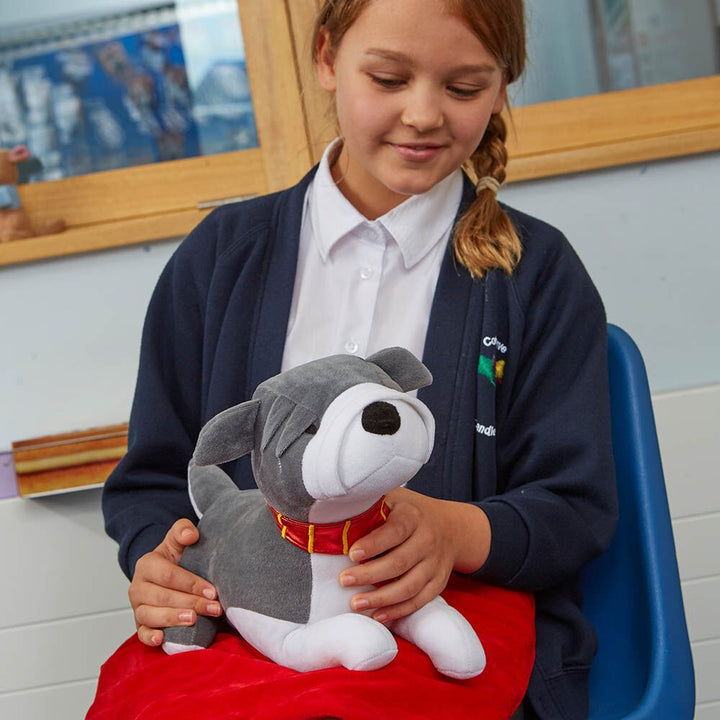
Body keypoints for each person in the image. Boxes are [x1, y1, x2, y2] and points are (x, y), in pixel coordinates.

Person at [102, 1, 617, 717]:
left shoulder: (537, 275)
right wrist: (164, 566)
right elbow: (153, 480)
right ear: (326, 59)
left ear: (502, 88)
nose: (423, 115)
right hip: (243, 638)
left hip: (453, 638)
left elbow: (576, 510)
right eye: (388, 77)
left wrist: (450, 532)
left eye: (464, 88)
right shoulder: (220, 258)